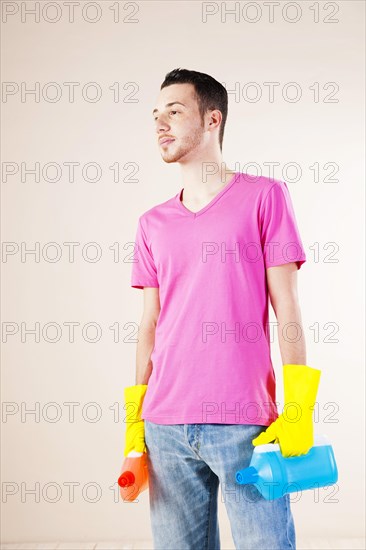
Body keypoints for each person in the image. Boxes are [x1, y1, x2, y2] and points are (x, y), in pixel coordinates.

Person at [123, 68, 321, 550]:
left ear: (213, 119)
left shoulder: (264, 197)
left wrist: (298, 405)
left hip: (245, 425)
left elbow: (288, 309)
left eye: (174, 111)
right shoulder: (152, 223)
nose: (161, 125)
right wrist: (134, 419)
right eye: (156, 115)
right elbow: (150, 324)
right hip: (164, 423)